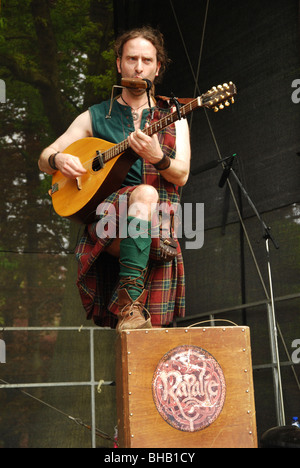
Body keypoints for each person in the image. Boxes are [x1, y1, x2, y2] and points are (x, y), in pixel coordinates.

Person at [38, 26, 191, 332]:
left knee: (147, 337)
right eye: (131, 58)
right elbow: (45, 157)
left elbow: (182, 175)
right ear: (119, 63)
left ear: (157, 67)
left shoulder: (176, 117)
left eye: (146, 60)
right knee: (145, 193)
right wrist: (58, 159)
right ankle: (130, 303)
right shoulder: (94, 116)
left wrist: (156, 156)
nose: (138, 67)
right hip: (108, 222)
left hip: (159, 228)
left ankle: (129, 310)